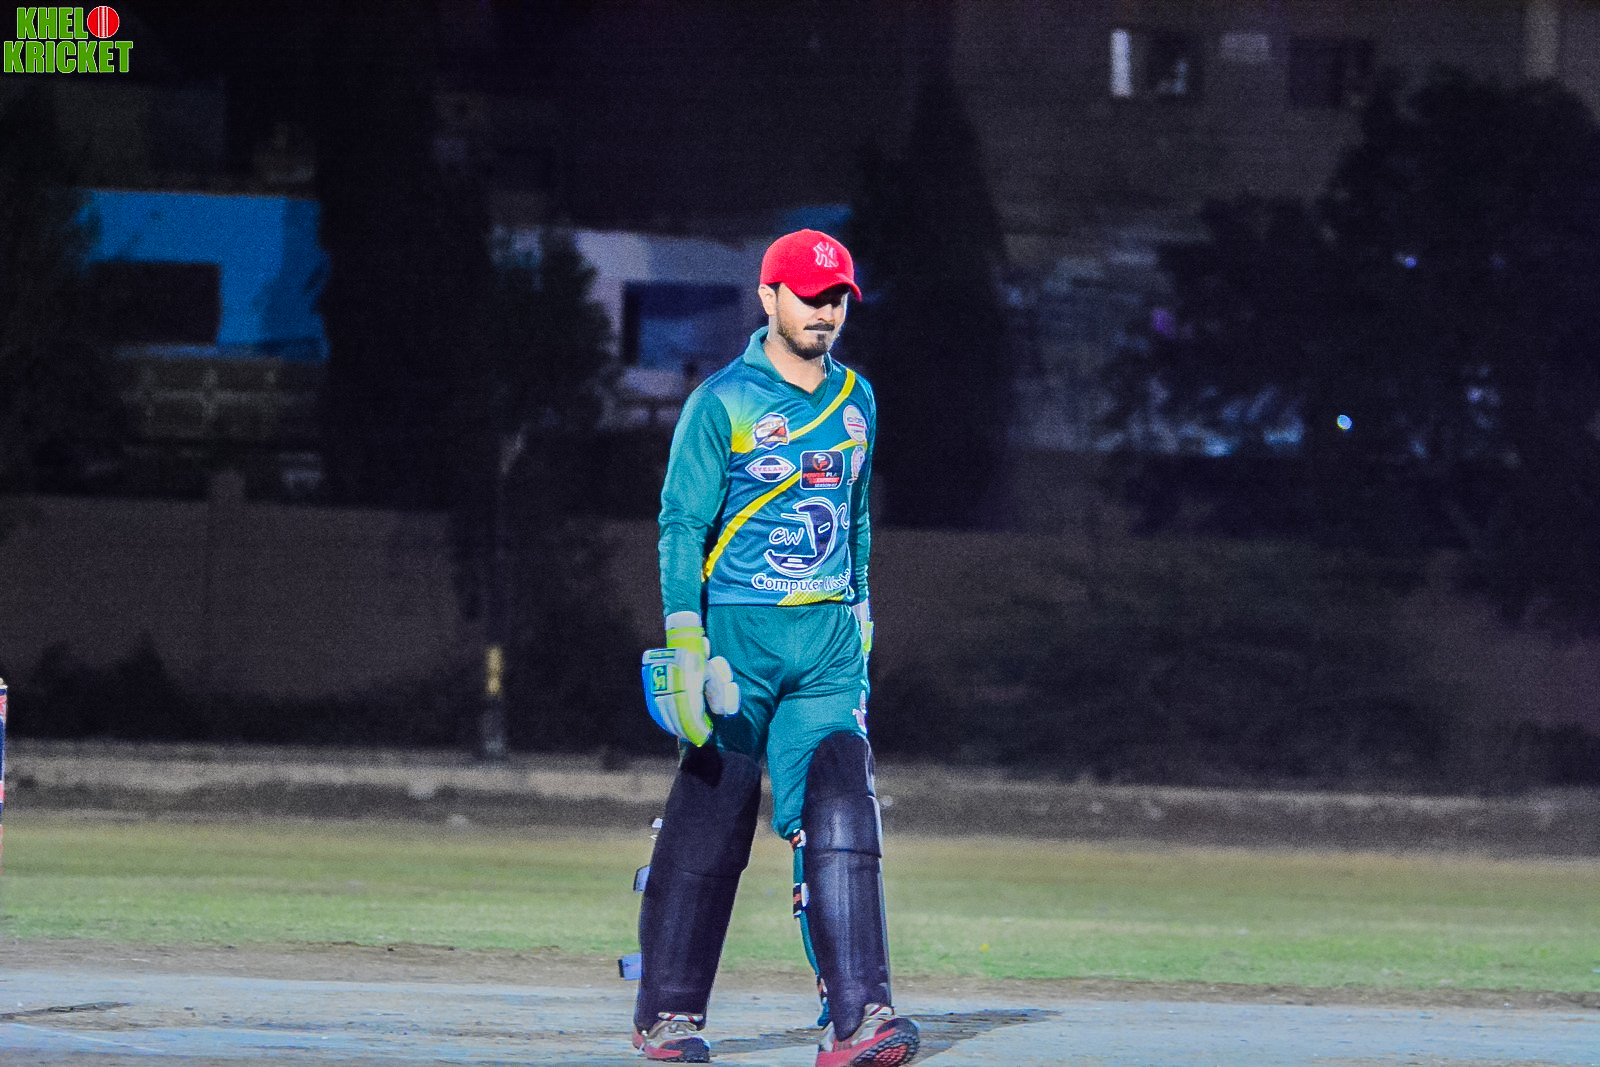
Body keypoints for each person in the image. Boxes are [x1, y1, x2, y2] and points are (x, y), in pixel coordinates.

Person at [632, 230, 919, 1066]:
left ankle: (859, 1019)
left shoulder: (858, 399)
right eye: (809, 296)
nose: (825, 312)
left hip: (826, 643)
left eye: (837, 299)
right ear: (768, 297)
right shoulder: (720, 402)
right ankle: (668, 1016)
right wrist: (684, 636)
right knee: (713, 815)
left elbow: (857, 516)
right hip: (736, 642)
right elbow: (681, 523)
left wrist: (861, 605)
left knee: (842, 807)